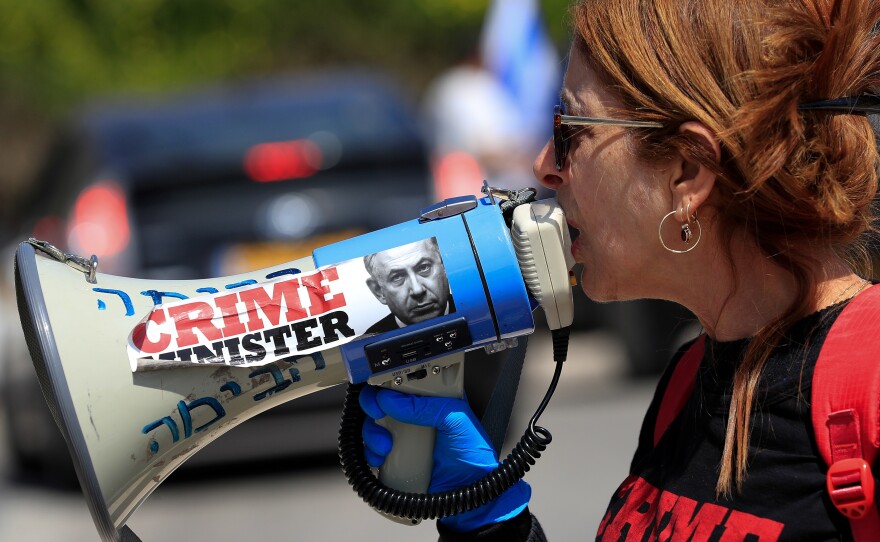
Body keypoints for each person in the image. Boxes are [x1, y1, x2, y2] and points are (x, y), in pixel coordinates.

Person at [360, 0, 880, 540]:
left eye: (569, 130)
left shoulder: (870, 386)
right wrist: (488, 522)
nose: (544, 166)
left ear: (687, 171)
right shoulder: (688, 383)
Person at [363, 238, 455, 334]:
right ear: (378, 291)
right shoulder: (369, 341)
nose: (417, 290)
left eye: (424, 267)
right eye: (397, 277)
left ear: (446, 267)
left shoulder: (471, 308)